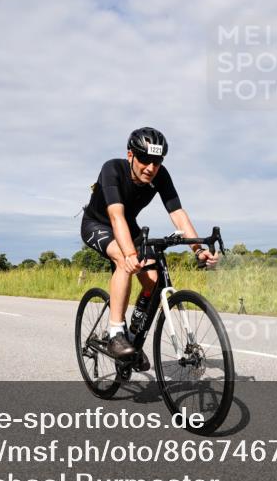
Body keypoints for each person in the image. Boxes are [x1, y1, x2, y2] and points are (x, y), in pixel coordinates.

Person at [80, 127, 219, 364]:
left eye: (157, 161)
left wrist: (198, 249)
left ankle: (133, 335)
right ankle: (115, 333)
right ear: (130, 155)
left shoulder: (161, 176)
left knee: (153, 279)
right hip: (99, 223)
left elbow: (178, 214)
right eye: (144, 159)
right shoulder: (112, 169)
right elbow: (116, 216)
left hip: (128, 225)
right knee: (124, 261)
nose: (150, 168)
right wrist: (130, 254)